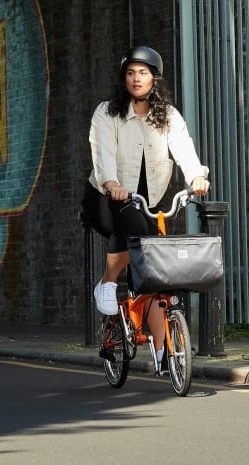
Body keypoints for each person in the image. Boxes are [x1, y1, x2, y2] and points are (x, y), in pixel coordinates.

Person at [81, 45, 210, 365]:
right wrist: (111, 183)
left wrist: (196, 177)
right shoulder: (107, 113)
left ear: (155, 78)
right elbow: (103, 152)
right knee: (131, 225)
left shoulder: (167, 116)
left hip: (143, 203)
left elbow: (183, 147)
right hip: (103, 198)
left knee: (155, 274)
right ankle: (107, 285)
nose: (136, 78)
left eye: (143, 72)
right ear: (123, 79)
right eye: (130, 73)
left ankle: (164, 351)